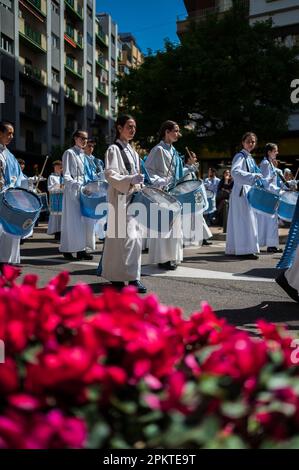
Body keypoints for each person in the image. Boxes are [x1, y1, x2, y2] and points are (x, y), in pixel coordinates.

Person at [99, 114, 147, 293]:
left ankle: (133, 277)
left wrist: (139, 183)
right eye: (129, 126)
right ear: (119, 128)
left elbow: (135, 175)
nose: (133, 130)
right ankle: (116, 277)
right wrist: (130, 179)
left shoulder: (133, 151)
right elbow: (110, 174)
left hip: (133, 199)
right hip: (119, 198)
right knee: (119, 240)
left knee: (135, 239)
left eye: (134, 127)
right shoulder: (113, 149)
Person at [144, 120, 184, 270]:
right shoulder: (158, 149)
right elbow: (148, 170)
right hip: (161, 192)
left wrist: (189, 169)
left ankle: (173, 256)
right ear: (167, 132)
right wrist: (160, 181)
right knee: (163, 226)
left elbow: (177, 174)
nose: (178, 134)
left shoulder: (174, 151)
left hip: (174, 192)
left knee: (174, 227)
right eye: (175, 130)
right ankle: (163, 258)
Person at [59, 129, 95, 260]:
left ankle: (81, 249)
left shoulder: (83, 155)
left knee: (83, 221)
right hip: (72, 191)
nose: (85, 141)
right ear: (75, 138)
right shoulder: (69, 153)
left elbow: (86, 174)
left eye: (86, 138)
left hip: (83, 190)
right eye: (82, 138)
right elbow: (66, 174)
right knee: (72, 221)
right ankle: (67, 250)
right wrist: (75, 184)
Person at [226, 132, 262, 259]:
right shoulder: (240, 156)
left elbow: (255, 175)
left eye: (253, 141)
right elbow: (235, 172)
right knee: (243, 221)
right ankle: (243, 250)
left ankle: (244, 248)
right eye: (248, 141)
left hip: (247, 191)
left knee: (248, 220)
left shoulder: (250, 158)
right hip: (241, 192)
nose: (251, 143)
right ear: (243, 142)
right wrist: (253, 176)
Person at [0, 121, 27, 269]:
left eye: (12, 133)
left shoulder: (9, 155)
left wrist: (27, 184)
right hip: (1, 197)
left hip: (10, 199)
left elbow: (20, 177)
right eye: (8, 133)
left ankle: (6, 262)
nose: (11, 136)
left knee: (8, 232)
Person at [256, 143, 282, 254]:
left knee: (271, 222)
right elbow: (265, 183)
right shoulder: (265, 163)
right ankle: (271, 245)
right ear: (269, 152)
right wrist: (278, 190)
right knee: (270, 221)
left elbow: (273, 181)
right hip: (268, 196)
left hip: (271, 196)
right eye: (275, 151)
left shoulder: (270, 164)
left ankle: (271, 245)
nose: (277, 153)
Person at [47, 160, 64, 241]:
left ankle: (62, 233)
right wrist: (59, 187)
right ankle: (57, 233)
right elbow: (50, 189)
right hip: (56, 199)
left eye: (61, 167)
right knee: (56, 217)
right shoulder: (51, 177)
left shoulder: (64, 178)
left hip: (62, 199)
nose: (59, 169)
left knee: (62, 218)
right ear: (54, 167)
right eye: (57, 167)